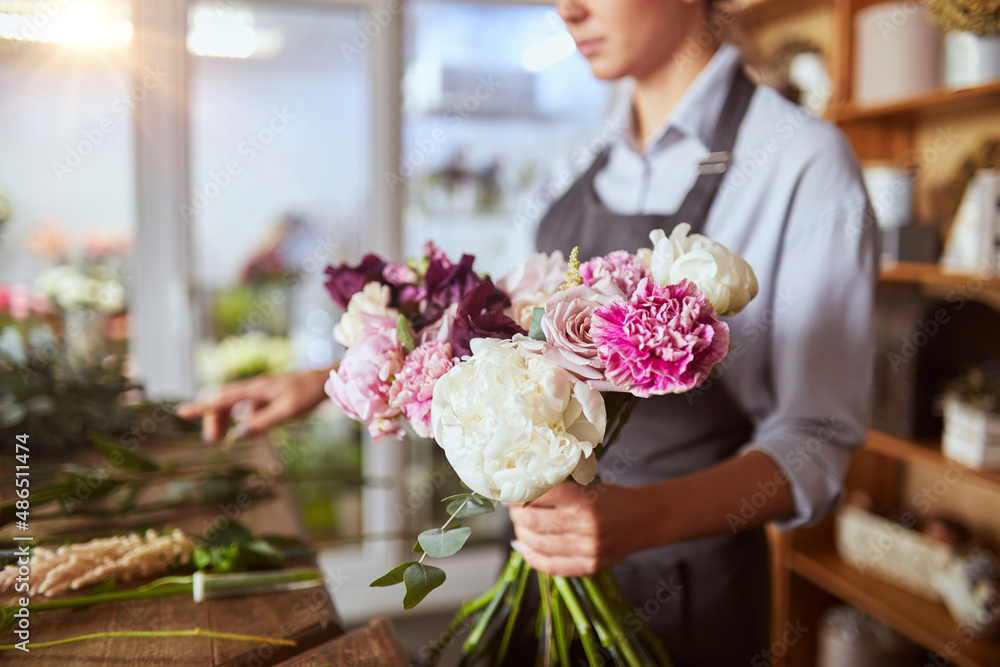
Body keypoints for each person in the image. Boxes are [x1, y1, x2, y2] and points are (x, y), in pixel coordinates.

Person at [180, 0, 878, 663]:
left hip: (691, 590)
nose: (568, 9)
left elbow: (817, 438)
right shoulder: (575, 163)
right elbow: (501, 331)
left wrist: (642, 518)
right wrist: (333, 380)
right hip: (538, 564)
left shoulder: (800, 161)